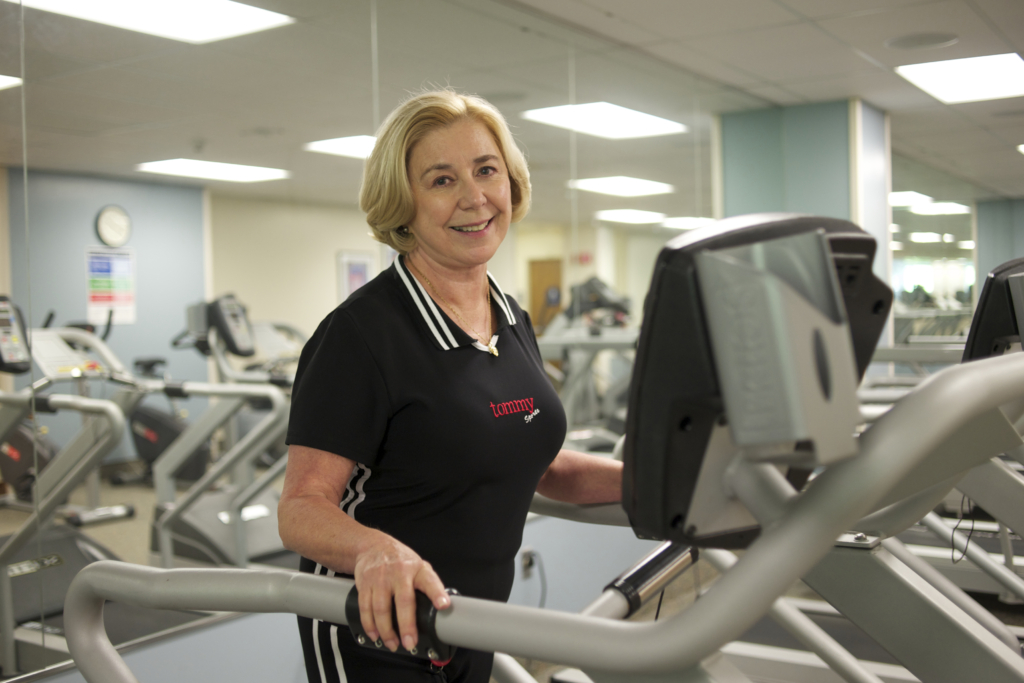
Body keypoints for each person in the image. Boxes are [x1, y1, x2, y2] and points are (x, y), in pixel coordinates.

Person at [279, 89, 623, 683]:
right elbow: (300, 508)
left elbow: (541, 465)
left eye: (487, 170)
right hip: (375, 628)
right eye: (442, 180)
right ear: (403, 203)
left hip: (471, 621)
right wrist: (374, 549)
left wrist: (659, 484)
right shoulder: (360, 334)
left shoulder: (510, 318)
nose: (474, 197)